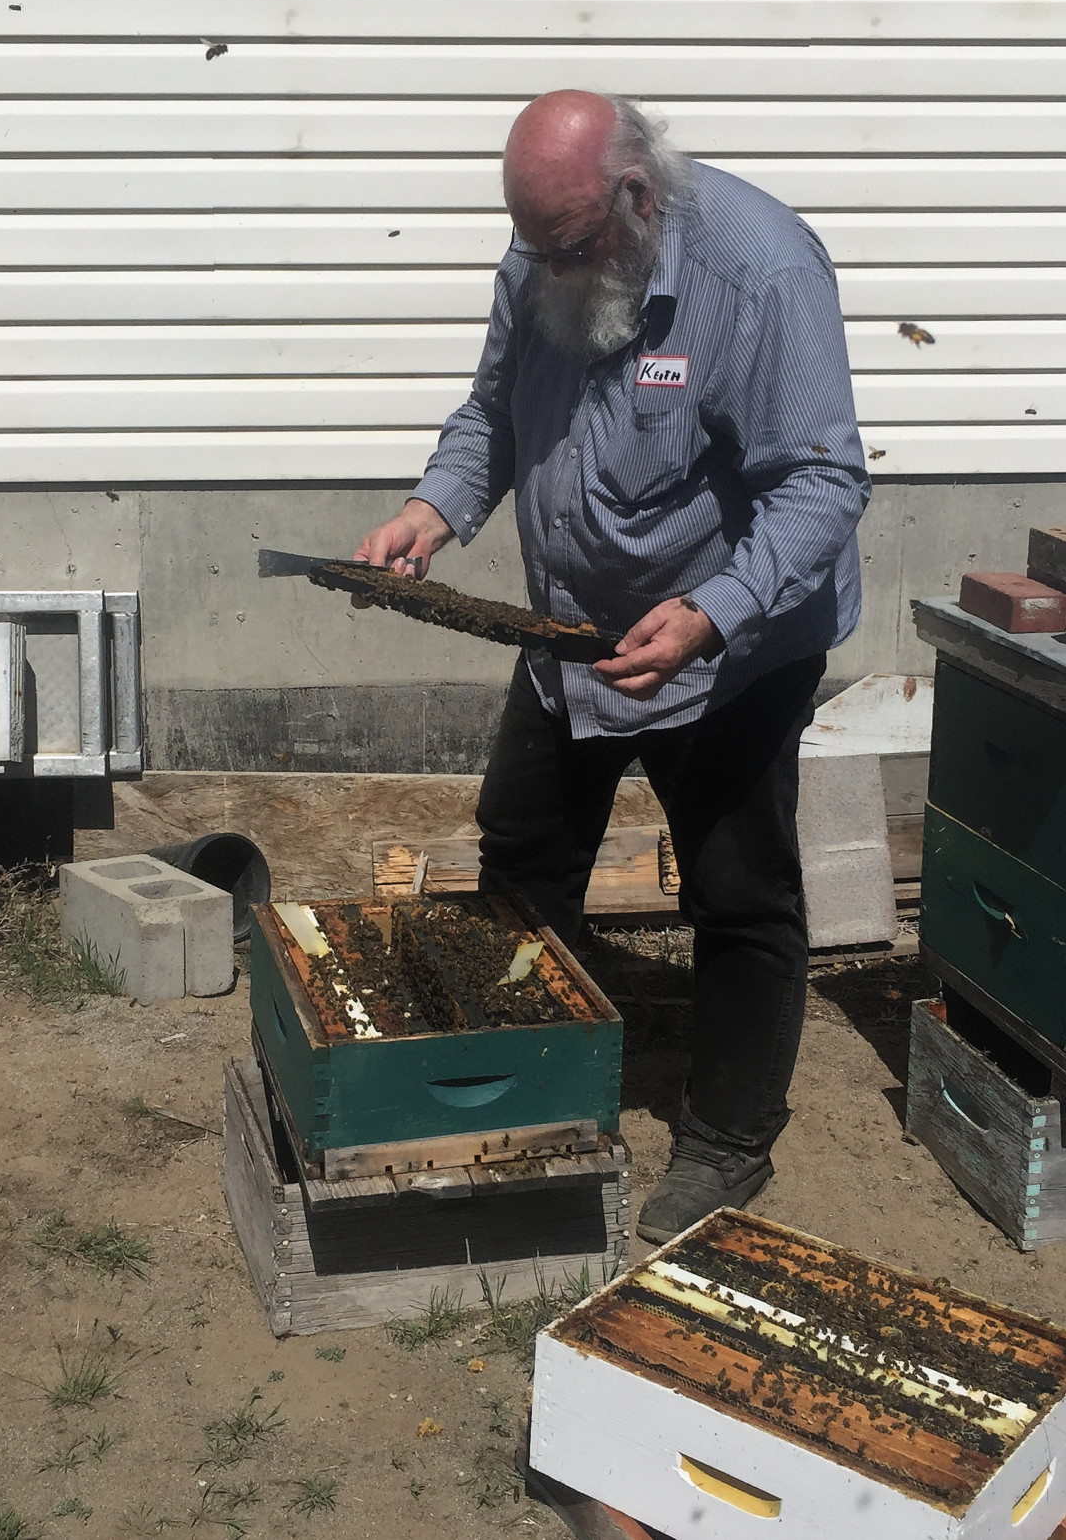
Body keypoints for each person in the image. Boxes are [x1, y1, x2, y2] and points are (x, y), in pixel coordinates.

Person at [354, 90, 870, 1243]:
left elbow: (823, 482)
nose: (545, 267)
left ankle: (728, 1138)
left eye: (569, 247)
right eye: (533, 246)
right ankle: (516, 1089)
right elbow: (493, 411)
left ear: (634, 199)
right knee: (522, 849)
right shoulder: (547, 244)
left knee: (738, 892)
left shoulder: (760, 272)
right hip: (573, 630)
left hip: (731, 644)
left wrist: (712, 614)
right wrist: (434, 510)